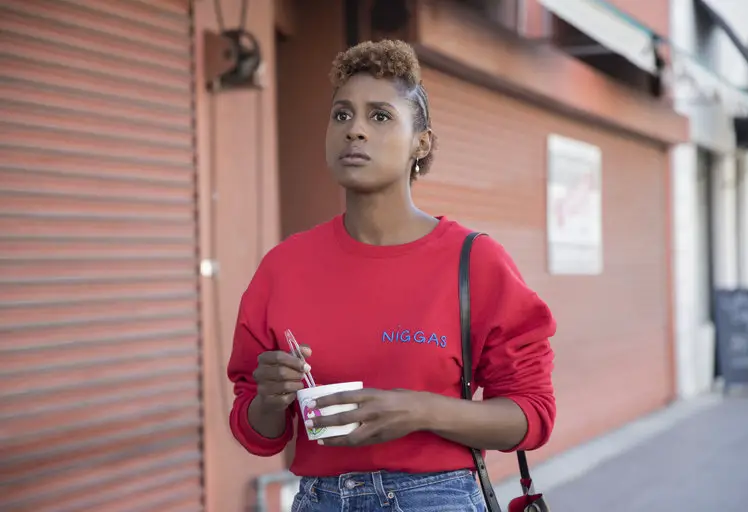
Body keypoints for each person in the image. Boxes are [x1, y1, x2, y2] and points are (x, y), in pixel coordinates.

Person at [227, 39, 556, 512]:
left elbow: (533, 415)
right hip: (318, 501)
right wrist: (269, 399)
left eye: (380, 116)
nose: (355, 130)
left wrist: (418, 410)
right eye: (341, 115)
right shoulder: (283, 267)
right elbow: (255, 432)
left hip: (438, 499)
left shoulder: (475, 261)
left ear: (420, 143)